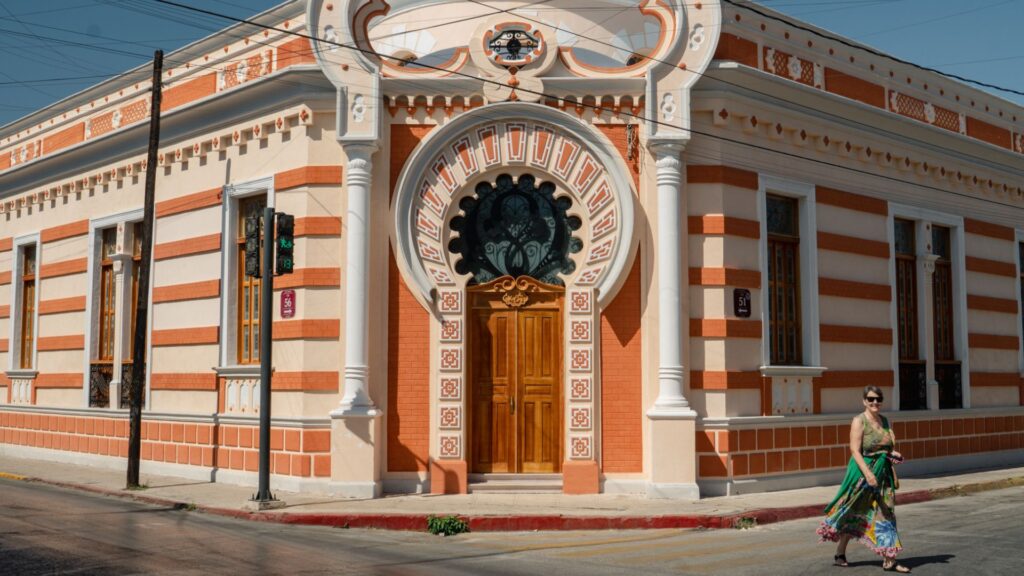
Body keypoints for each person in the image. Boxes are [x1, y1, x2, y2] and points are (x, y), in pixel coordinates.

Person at [817, 386, 910, 573]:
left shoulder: (884, 421)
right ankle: (840, 552)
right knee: (853, 511)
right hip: (863, 473)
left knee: (887, 513)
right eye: (870, 399)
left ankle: (889, 559)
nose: (875, 402)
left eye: (878, 399)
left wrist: (893, 454)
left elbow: (886, 448)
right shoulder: (859, 421)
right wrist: (868, 474)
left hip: (883, 474)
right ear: (864, 401)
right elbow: (854, 450)